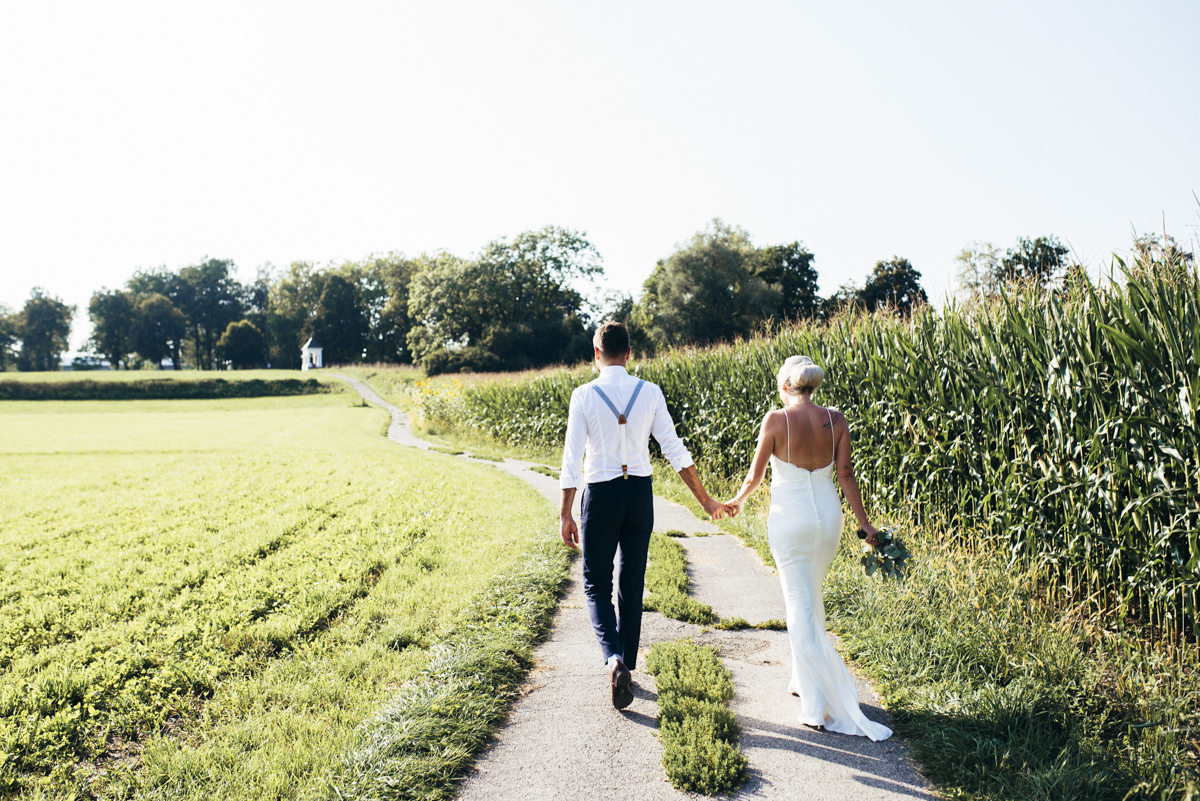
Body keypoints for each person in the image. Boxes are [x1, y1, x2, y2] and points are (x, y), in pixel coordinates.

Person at [560, 321, 728, 710]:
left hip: (600, 494)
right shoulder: (649, 392)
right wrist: (704, 500)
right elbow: (674, 449)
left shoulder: (583, 395)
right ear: (630, 353)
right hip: (639, 494)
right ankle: (628, 662)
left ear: (596, 354)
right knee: (631, 578)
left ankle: (614, 659)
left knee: (595, 582)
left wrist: (566, 512)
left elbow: (571, 459)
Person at [725, 355, 892, 741]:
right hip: (828, 520)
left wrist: (737, 500)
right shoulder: (835, 420)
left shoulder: (776, 420)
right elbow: (846, 475)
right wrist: (864, 522)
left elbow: (756, 474)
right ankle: (804, 678)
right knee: (810, 596)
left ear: (786, 385)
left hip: (791, 518)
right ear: (812, 385)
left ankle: (817, 706)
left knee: (798, 604)